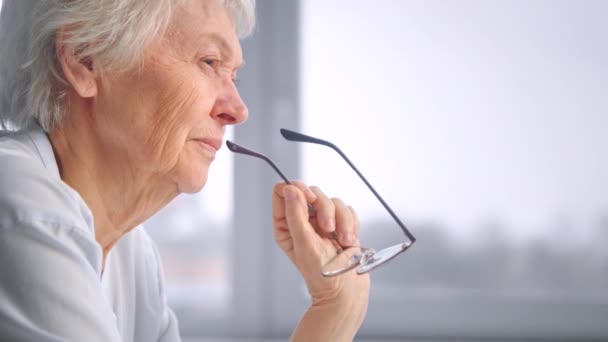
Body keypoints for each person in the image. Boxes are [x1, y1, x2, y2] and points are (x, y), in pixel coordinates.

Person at [0, 0, 370, 341]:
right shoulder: (24, 210)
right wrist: (333, 318)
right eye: (210, 62)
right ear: (85, 59)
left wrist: (337, 305)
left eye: (234, 77)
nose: (238, 111)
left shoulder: (132, 254)